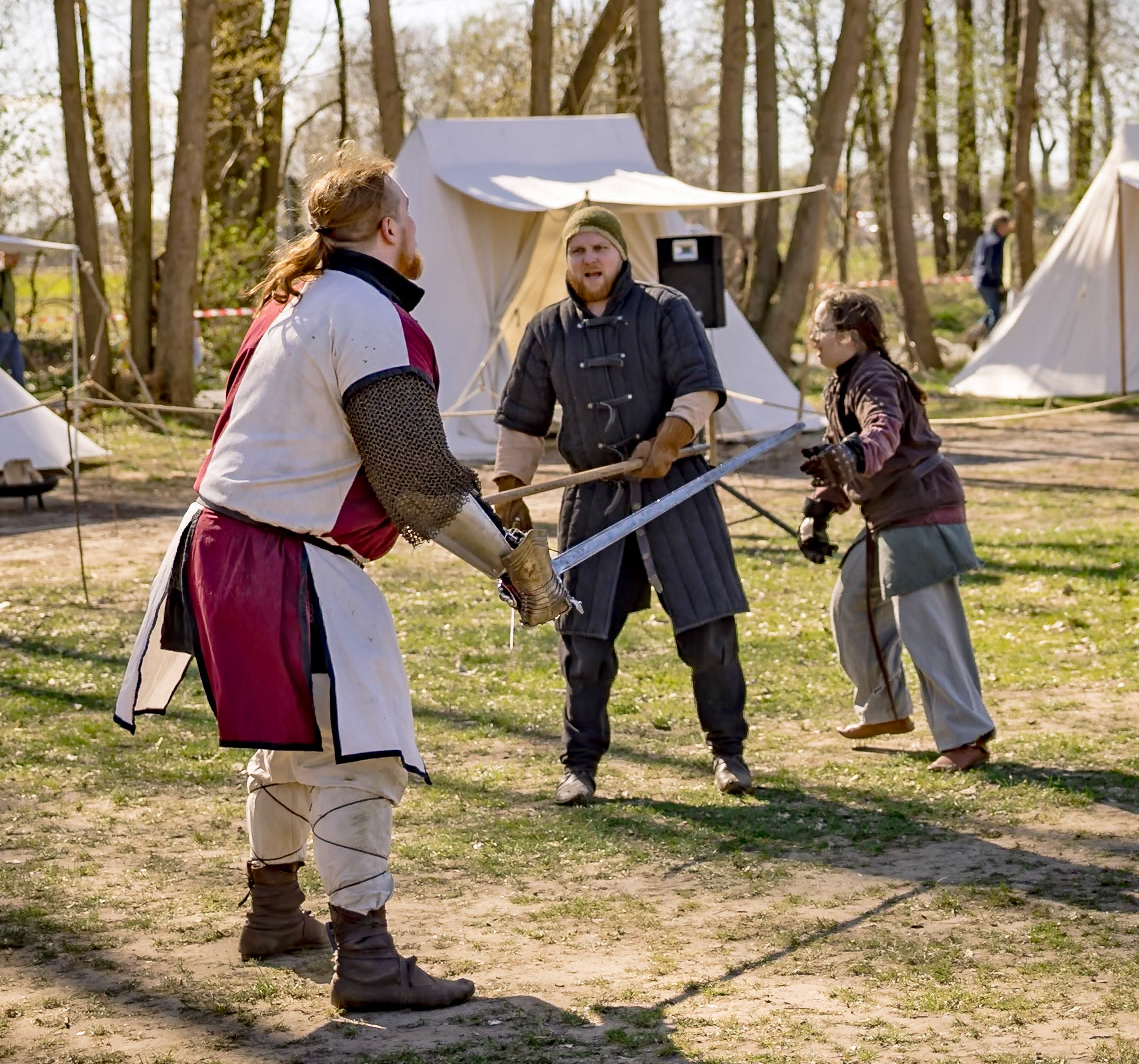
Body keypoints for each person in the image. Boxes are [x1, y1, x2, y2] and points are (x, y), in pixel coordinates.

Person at [115, 154, 571, 1011]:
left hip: (221, 544)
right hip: (286, 557)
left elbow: (369, 455)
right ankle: (365, 956)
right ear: (390, 229)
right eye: (409, 216)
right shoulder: (364, 313)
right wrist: (507, 563)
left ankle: (276, 911)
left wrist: (469, 498)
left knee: (292, 741)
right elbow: (414, 483)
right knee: (360, 750)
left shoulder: (296, 300)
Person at [493, 204, 753, 806]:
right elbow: (522, 422)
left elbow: (700, 386)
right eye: (578, 250)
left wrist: (669, 438)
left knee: (708, 634)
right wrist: (510, 488)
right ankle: (579, 767)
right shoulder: (546, 330)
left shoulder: (668, 309)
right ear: (568, 259)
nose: (589, 261)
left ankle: (729, 754)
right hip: (596, 497)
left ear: (620, 254)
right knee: (583, 644)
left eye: (599, 249)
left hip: (675, 491)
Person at [797, 287, 994, 773]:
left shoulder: (876, 376)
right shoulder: (839, 382)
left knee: (928, 628)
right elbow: (836, 458)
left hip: (920, 512)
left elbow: (880, 432)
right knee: (852, 605)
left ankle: (966, 736)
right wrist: (816, 513)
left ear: (849, 335)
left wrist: (854, 454)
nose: (813, 339)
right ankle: (884, 710)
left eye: (819, 329)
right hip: (885, 514)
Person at [971, 210, 1014, 333]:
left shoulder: (983, 237)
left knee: (992, 310)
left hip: (979, 279)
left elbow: (974, 260)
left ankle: (974, 333)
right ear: (1000, 225)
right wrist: (999, 283)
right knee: (996, 313)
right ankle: (991, 338)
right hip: (989, 281)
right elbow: (993, 266)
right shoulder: (996, 241)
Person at [0, 252, 26, 386]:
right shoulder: (1, 275)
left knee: (18, 370)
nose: (17, 259)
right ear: (3, 255)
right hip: (3, 331)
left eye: (18, 255)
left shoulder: (8, 275)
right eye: (13, 255)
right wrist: (3, 325)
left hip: (10, 331)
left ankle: (23, 404)